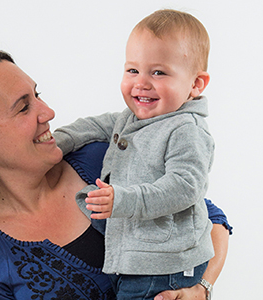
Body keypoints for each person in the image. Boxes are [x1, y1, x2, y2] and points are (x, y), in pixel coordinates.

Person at [0, 49, 231, 300]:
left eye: (37, 94)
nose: (48, 112)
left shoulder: (102, 158)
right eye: (23, 106)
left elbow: (209, 219)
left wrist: (201, 288)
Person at [52, 9, 217, 299]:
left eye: (158, 72)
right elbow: (93, 126)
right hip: (136, 261)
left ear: (195, 84)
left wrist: (124, 200)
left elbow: (185, 187)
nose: (141, 82)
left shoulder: (186, 129)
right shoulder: (131, 119)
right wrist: (56, 143)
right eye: (132, 70)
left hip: (165, 266)